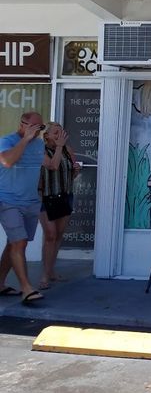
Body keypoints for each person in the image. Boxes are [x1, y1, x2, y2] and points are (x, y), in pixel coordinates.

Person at [0, 111, 62, 304]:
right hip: (8, 201)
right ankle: (27, 288)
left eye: (40, 128)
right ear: (23, 124)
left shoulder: (38, 144)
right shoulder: (8, 141)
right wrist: (25, 140)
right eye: (35, 127)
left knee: (14, 243)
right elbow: (7, 161)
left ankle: (0, 283)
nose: (38, 131)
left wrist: (59, 147)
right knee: (20, 243)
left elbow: (52, 165)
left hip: (31, 202)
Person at [38, 122, 81, 290]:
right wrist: (59, 147)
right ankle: (45, 275)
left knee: (58, 235)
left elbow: (72, 172)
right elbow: (53, 166)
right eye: (55, 133)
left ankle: (51, 270)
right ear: (47, 136)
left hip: (65, 195)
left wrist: (76, 170)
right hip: (46, 197)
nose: (59, 135)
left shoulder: (67, 150)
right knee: (50, 235)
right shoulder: (40, 150)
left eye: (61, 132)